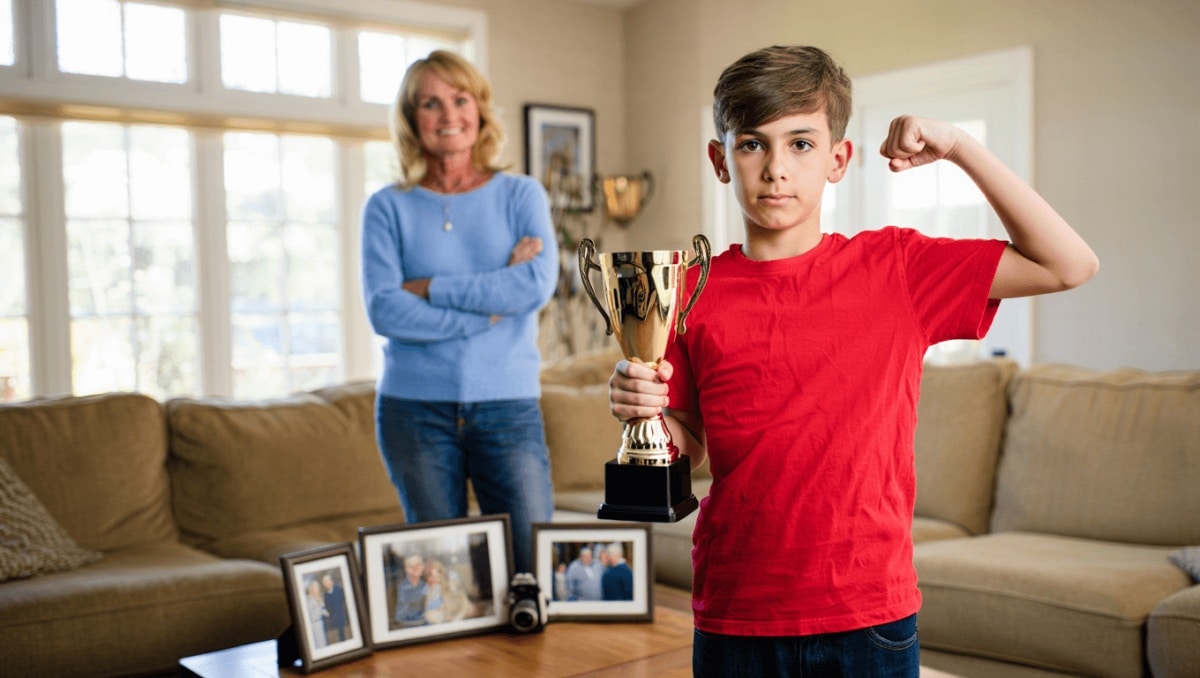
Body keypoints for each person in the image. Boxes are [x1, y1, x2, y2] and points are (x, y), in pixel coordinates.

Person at [608, 45, 1098, 678]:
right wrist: (644, 412)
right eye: (752, 144)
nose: (776, 169)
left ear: (838, 159)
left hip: (868, 614)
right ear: (721, 161)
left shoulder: (898, 268)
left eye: (801, 144)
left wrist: (959, 147)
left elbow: (1069, 264)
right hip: (737, 611)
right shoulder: (687, 290)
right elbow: (692, 443)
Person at [361, 50, 558, 575]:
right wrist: (490, 309)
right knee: (443, 580)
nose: (448, 115)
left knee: (531, 566)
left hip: (507, 406)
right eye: (431, 103)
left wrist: (430, 288)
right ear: (411, 119)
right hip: (413, 411)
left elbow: (534, 284)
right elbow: (386, 310)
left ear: (479, 109)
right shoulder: (386, 206)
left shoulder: (521, 195)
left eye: (460, 99)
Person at [423, 558, 475, 624]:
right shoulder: (429, 591)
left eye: (437, 574)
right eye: (431, 576)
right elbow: (429, 612)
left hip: (456, 617)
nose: (434, 579)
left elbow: (465, 606)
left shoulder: (450, 586)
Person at [393, 554, 428, 627]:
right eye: (416, 566)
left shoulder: (423, 584)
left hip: (419, 619)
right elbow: (407, 609)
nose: (419, 568)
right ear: (408, 569)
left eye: (420, 565)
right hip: (406, 621)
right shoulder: (403, 586)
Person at [321, 572, 349, 644]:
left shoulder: (338, 589)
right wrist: (330, 614)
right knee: (336, 635)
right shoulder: (325, 594)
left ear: (331, 581)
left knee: (343, 633)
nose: (327, 583)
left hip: (342, 615)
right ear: (324, 584)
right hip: (333, 618)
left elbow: (344, 600)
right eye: (325, 582)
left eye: (328, 580)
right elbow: (327, 606)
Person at [305, 578, 328, 649]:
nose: (317, 589)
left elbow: (322, 608)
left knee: (323, 642)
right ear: (311, 589)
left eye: (317, 588)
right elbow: (312, 614)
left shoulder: (318, 598)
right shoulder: (309, 600)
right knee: (318, 643)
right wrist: (321, 611)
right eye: (315, 588)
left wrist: (324, 612)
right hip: (314, 624)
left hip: (320, 623)